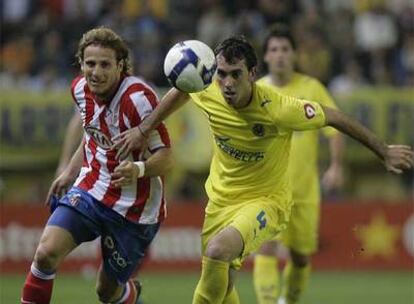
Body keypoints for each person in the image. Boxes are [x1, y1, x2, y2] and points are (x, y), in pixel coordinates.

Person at [112, 36, 413, 304]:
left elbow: (334, 117)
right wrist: (144, 127)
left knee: (218, 252)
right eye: (222, 74)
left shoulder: (279, 108)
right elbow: (183, 89)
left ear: (253, 74)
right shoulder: (209, 89)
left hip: (265, 201)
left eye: (236, 75)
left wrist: (383, 151)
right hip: (219, 201)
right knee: (223, 281)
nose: (227, 83)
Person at [21, 27, 173, 304]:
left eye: (105, 64)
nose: (96, 72)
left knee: (106, 292)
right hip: (91, 190)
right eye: (90, 64)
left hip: (134, 210)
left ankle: (131, 294)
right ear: (81, 64)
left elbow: (167, 159)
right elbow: (92, 133)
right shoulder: (79, 89)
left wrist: (137, 169)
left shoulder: (139, 99)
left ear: (121, 66)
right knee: (45, 254)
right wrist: (70, 170)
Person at [252, 24, 344, 304]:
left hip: (304, 190)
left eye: (285, 49)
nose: (279, 55)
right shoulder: (256, 92)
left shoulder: (312, 88)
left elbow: (335, 127)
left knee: (300, 257)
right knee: (265, 248)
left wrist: (337, 166)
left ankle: (288, 300)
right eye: (274, 49)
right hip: (268, 189)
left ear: (294, 55)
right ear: (266, 57)